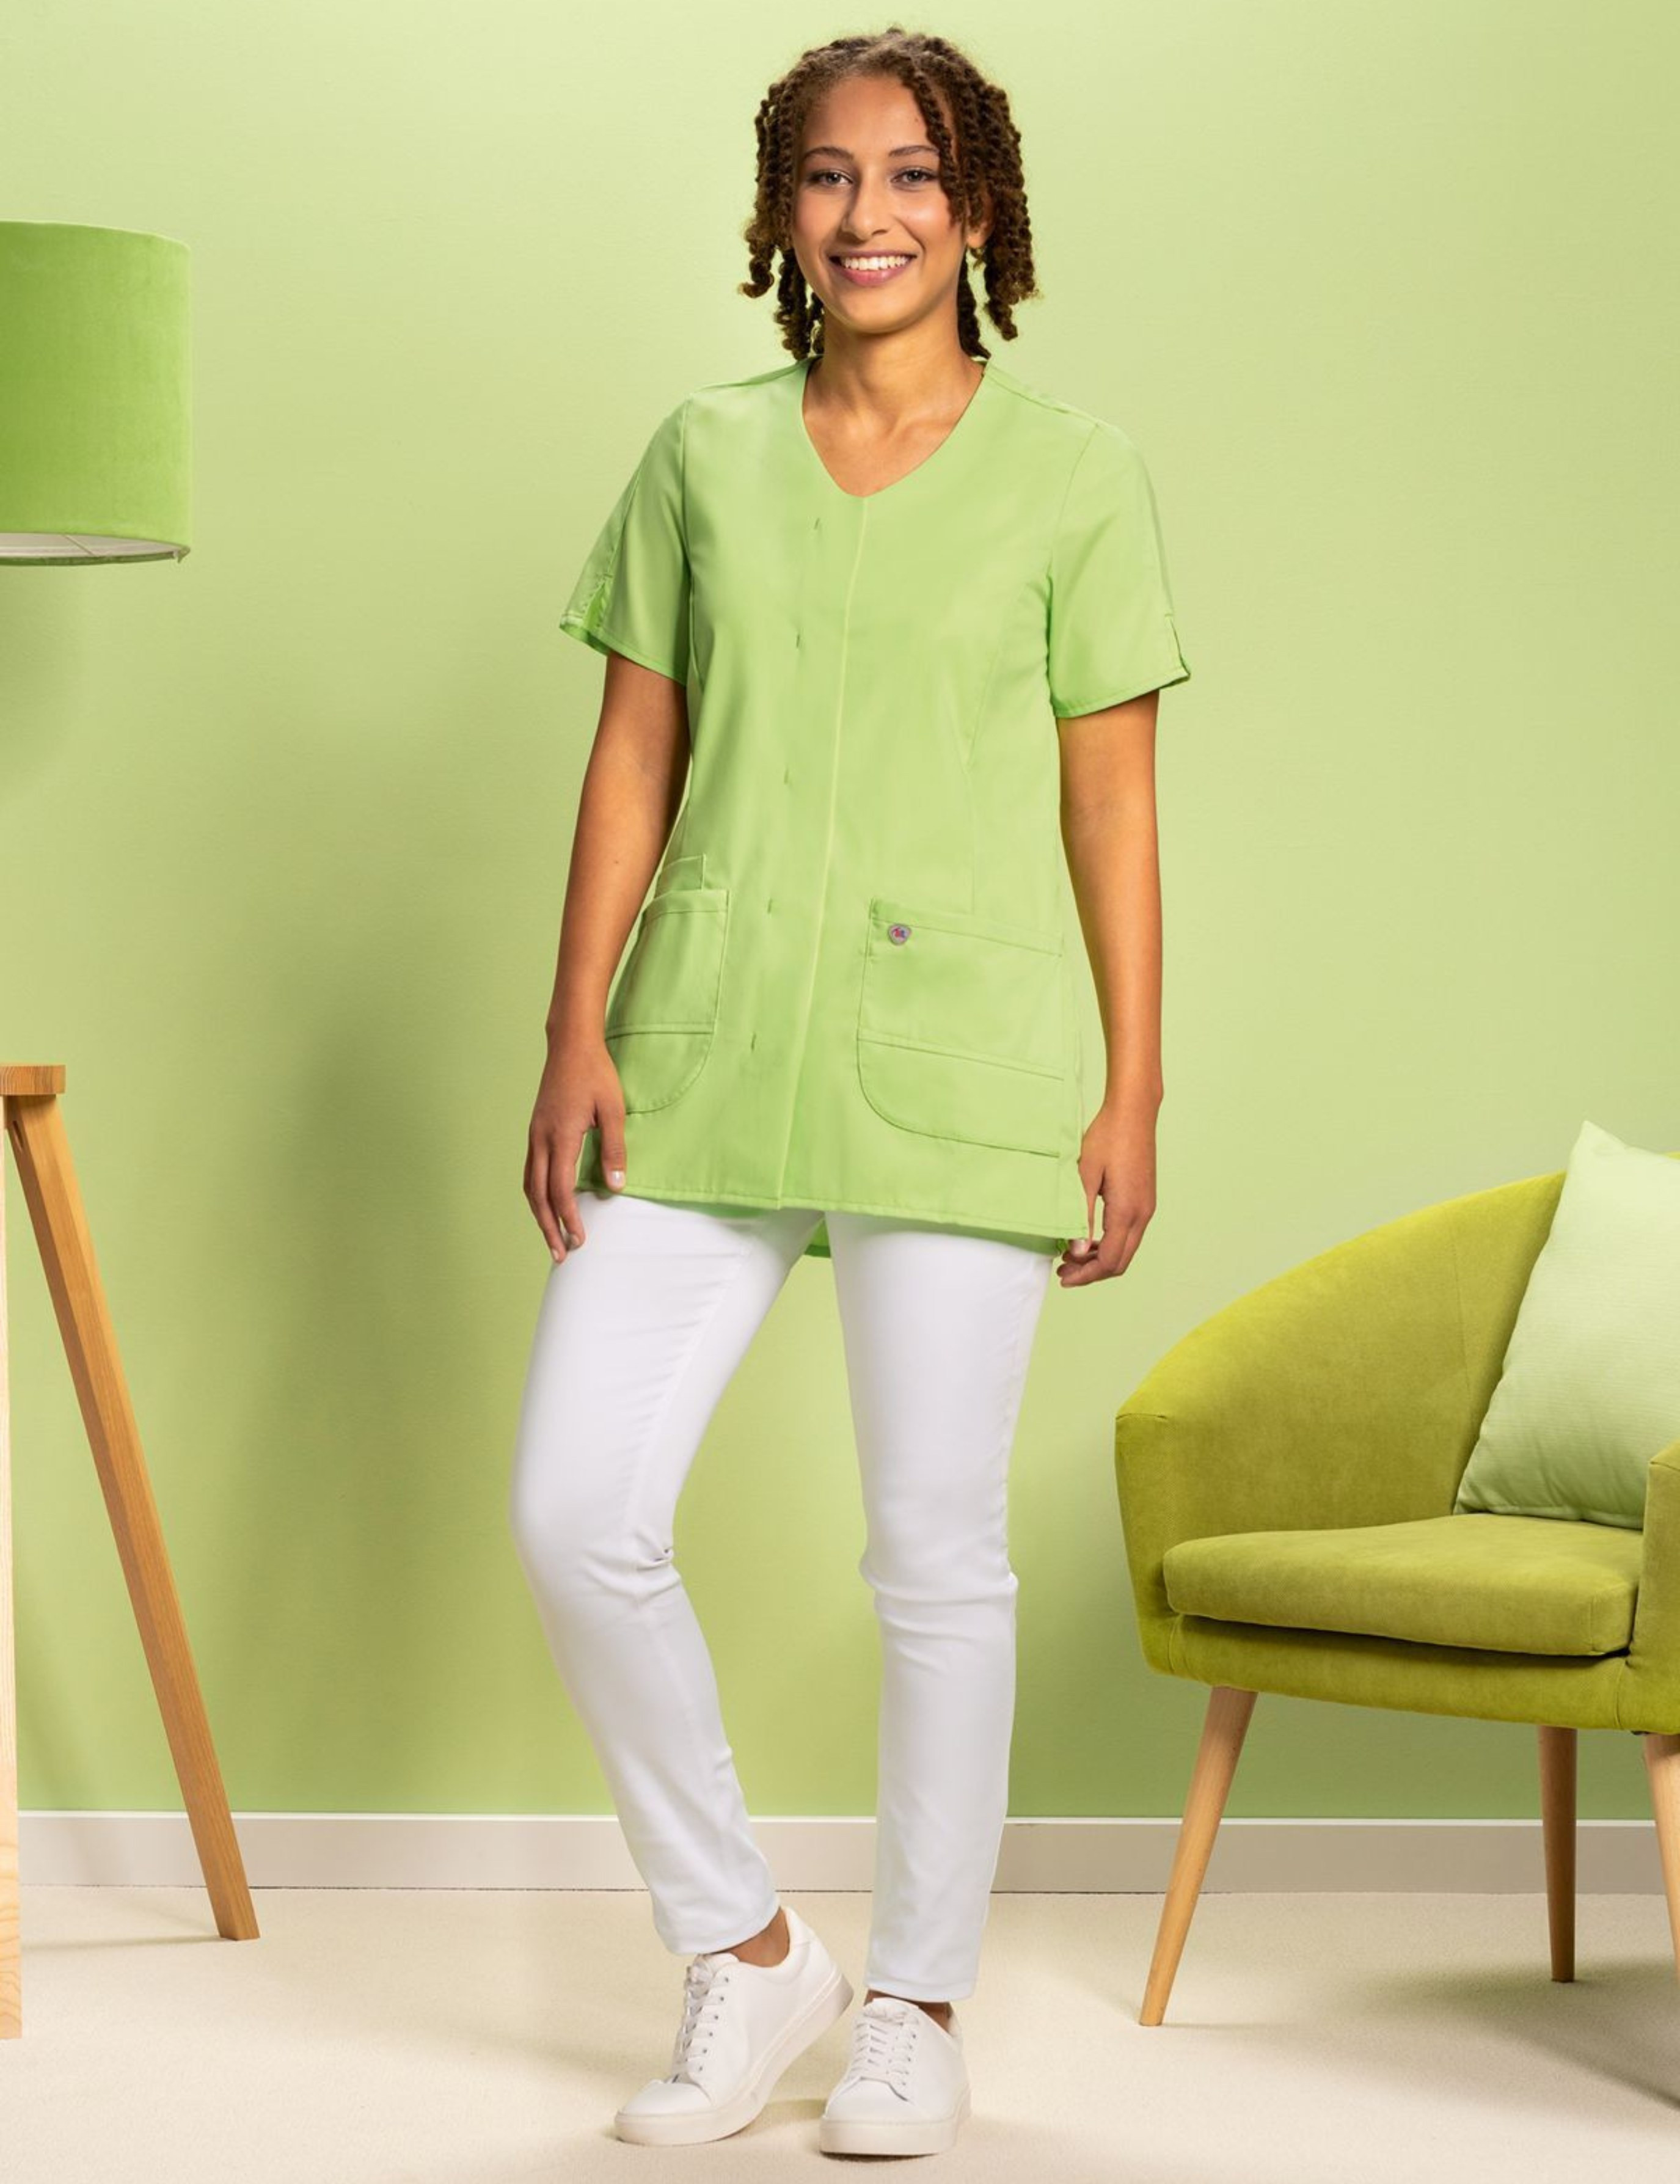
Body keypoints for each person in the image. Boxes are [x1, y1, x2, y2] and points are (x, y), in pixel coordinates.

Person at [508, 25, 1191, 2158]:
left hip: (959, 1064)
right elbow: (633, 754)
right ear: (777, 210)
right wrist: (572, 1024)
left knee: (933, 1559)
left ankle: (916, 2004)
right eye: (826, 174)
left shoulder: (1076, 475)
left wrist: (1133, 1087)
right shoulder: (702, 458)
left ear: (977, 210)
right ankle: (747, 1953)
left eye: (910, 174)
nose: (866, 213)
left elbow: (1113, 805)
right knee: (574, 1511)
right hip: (701, 1045)